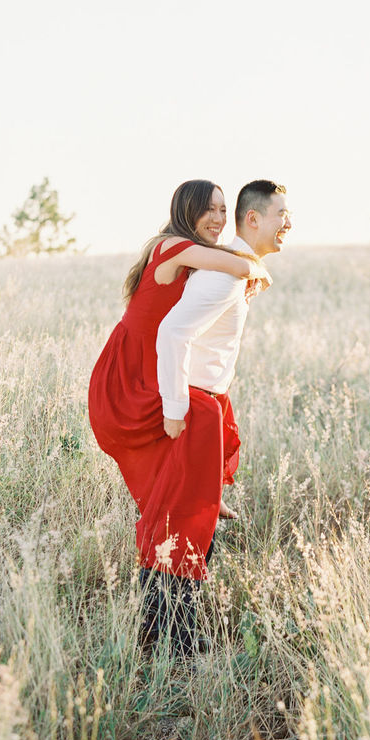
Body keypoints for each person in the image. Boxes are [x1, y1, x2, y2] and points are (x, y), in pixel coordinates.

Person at [88, 180, 269, 655]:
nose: (216, 218)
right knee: (176, 487)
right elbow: (235, 262)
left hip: (147, 374)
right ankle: (171, 631)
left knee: (175, 488)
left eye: (221, 209)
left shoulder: (181, 252)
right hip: (129, 381)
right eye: (207, 209)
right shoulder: (177, 246)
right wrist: (255, 271)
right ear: (185, 212)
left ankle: (165, 628)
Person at [152, 180, 291, 627]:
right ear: (253, 219)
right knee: (184, 526)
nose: (288, 224)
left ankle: (174, 635)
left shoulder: (236, 270)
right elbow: (172, 334)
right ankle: (173, 641)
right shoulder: (226, 276)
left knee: (195, 523)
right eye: (281, 215)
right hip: (191, 407)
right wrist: (176, 411)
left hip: (204, 404)